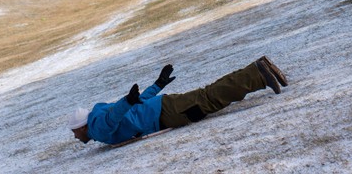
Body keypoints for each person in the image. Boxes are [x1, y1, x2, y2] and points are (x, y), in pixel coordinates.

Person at [68, 57, 288, 146]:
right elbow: (136, 103)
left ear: (82, 126)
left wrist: (128, 100)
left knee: (210, 99)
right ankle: (261, 71)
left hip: (165, 114)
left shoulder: (97, 128)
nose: (75, 136)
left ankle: (258, 74)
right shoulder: (101, 116)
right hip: (162, 107)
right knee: (208, 96)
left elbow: (116, 116)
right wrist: (159, 84)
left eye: (74, 131)